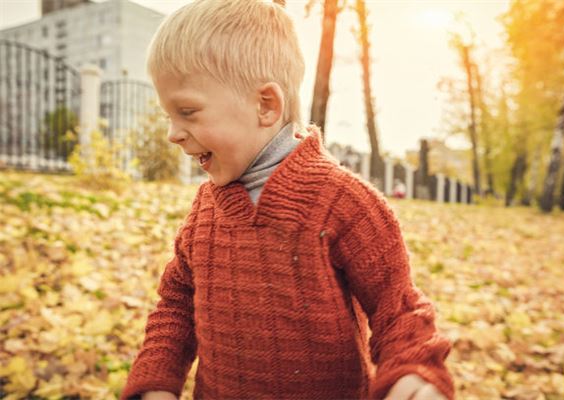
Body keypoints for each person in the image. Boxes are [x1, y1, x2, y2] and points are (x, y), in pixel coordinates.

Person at [120, 1, 454, 399]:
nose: (173, 133)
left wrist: (412, 373)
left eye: (187, 112)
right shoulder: (205, 212)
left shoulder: (343, 202)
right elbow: (176, 303)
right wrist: (156, 381)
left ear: (266, 105)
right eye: (168, 117)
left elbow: (396, 308)